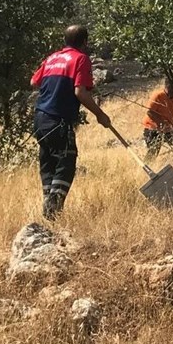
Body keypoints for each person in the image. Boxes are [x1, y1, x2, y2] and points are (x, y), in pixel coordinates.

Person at [30, 24, 111, 220]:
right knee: (67, 160)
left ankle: (49, 208)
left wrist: (56, 85)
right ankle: (53, 209)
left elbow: (34, 82)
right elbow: (80, 92)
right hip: (59, 120)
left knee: (49, 161)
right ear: (85, 42)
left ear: (65, 41)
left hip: (40, 119)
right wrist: (100, 114)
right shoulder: (81, 58)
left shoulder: (52, 58)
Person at [142, 78, 173, 158]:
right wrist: (162, 124)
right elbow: (150, 112)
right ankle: (147, 167)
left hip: (169, 129)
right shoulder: (158, 95)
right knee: (153, 152)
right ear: (167, 86)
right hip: (152, 129)